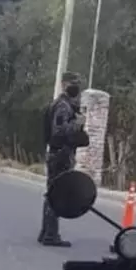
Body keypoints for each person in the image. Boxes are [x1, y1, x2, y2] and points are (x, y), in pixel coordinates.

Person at [38, 71, 89, 248]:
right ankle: (50, 235)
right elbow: (59, 131)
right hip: (61, 154)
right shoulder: (63, 106)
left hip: (58, 153)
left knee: (52, 192)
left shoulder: (65, 104)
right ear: (64, 84)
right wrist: (77, 123)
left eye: (78, 84)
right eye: (73, 83)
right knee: (57, 194)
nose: (76, 87)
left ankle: (46, 232)